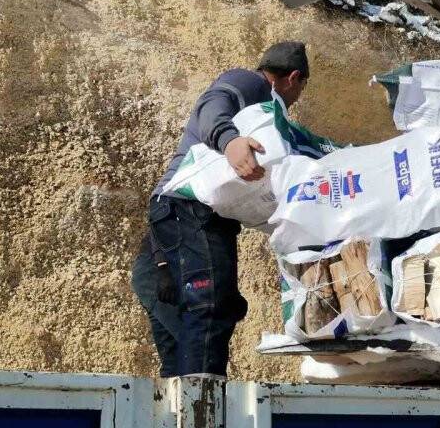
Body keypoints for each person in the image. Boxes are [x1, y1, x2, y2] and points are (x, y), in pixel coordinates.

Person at [131, 41, 310, 378]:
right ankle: (202, 404)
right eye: (301, 88)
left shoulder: (260, 109)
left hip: (169, 218)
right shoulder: (251, 84)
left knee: (181, 319)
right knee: (210, 307)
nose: (297, 97)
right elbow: (212, 105)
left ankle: (179, 398)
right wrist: (229, 141)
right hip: (191, 211)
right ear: (294, 78)